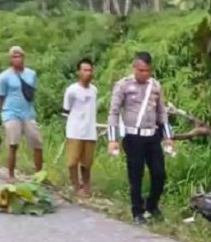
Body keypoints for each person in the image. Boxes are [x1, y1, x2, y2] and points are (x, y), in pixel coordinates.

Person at [107, 51, 174, 224]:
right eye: (141, 70)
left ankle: (152, 206)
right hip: (133, 136)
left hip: (152, 136)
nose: (145, 74)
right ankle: (137, 211)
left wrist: (167, 136)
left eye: (148, 70)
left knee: (159, 173)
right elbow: (114, 112)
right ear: (134, 68)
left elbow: (162, 112)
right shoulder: (123, 85)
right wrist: (113, 139)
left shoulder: (155, 86)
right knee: (136, 175)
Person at [0, 45, 43, 181]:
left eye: (19, 56)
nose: (17, 59)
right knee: (13, 143)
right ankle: (11, 174)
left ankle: (39, 175)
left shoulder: (31, 74)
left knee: (37, 143)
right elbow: (1, 97)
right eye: (14, 56)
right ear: (10, 59)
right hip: (11, 112)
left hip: (28, 112)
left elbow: (31, 93)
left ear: (23, 57)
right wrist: (4, 114)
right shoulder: (4, 77)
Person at [62, 58, 99, 197]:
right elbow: (66, 109)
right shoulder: (71, 90)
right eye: (85, 70)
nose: (88, 73)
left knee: (87, 163)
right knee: (72, 162)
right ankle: (76, 186)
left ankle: (87, 186)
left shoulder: (94, 90)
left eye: (90, 70)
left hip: (90, 131)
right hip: (74, 130)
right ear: (79, 72)